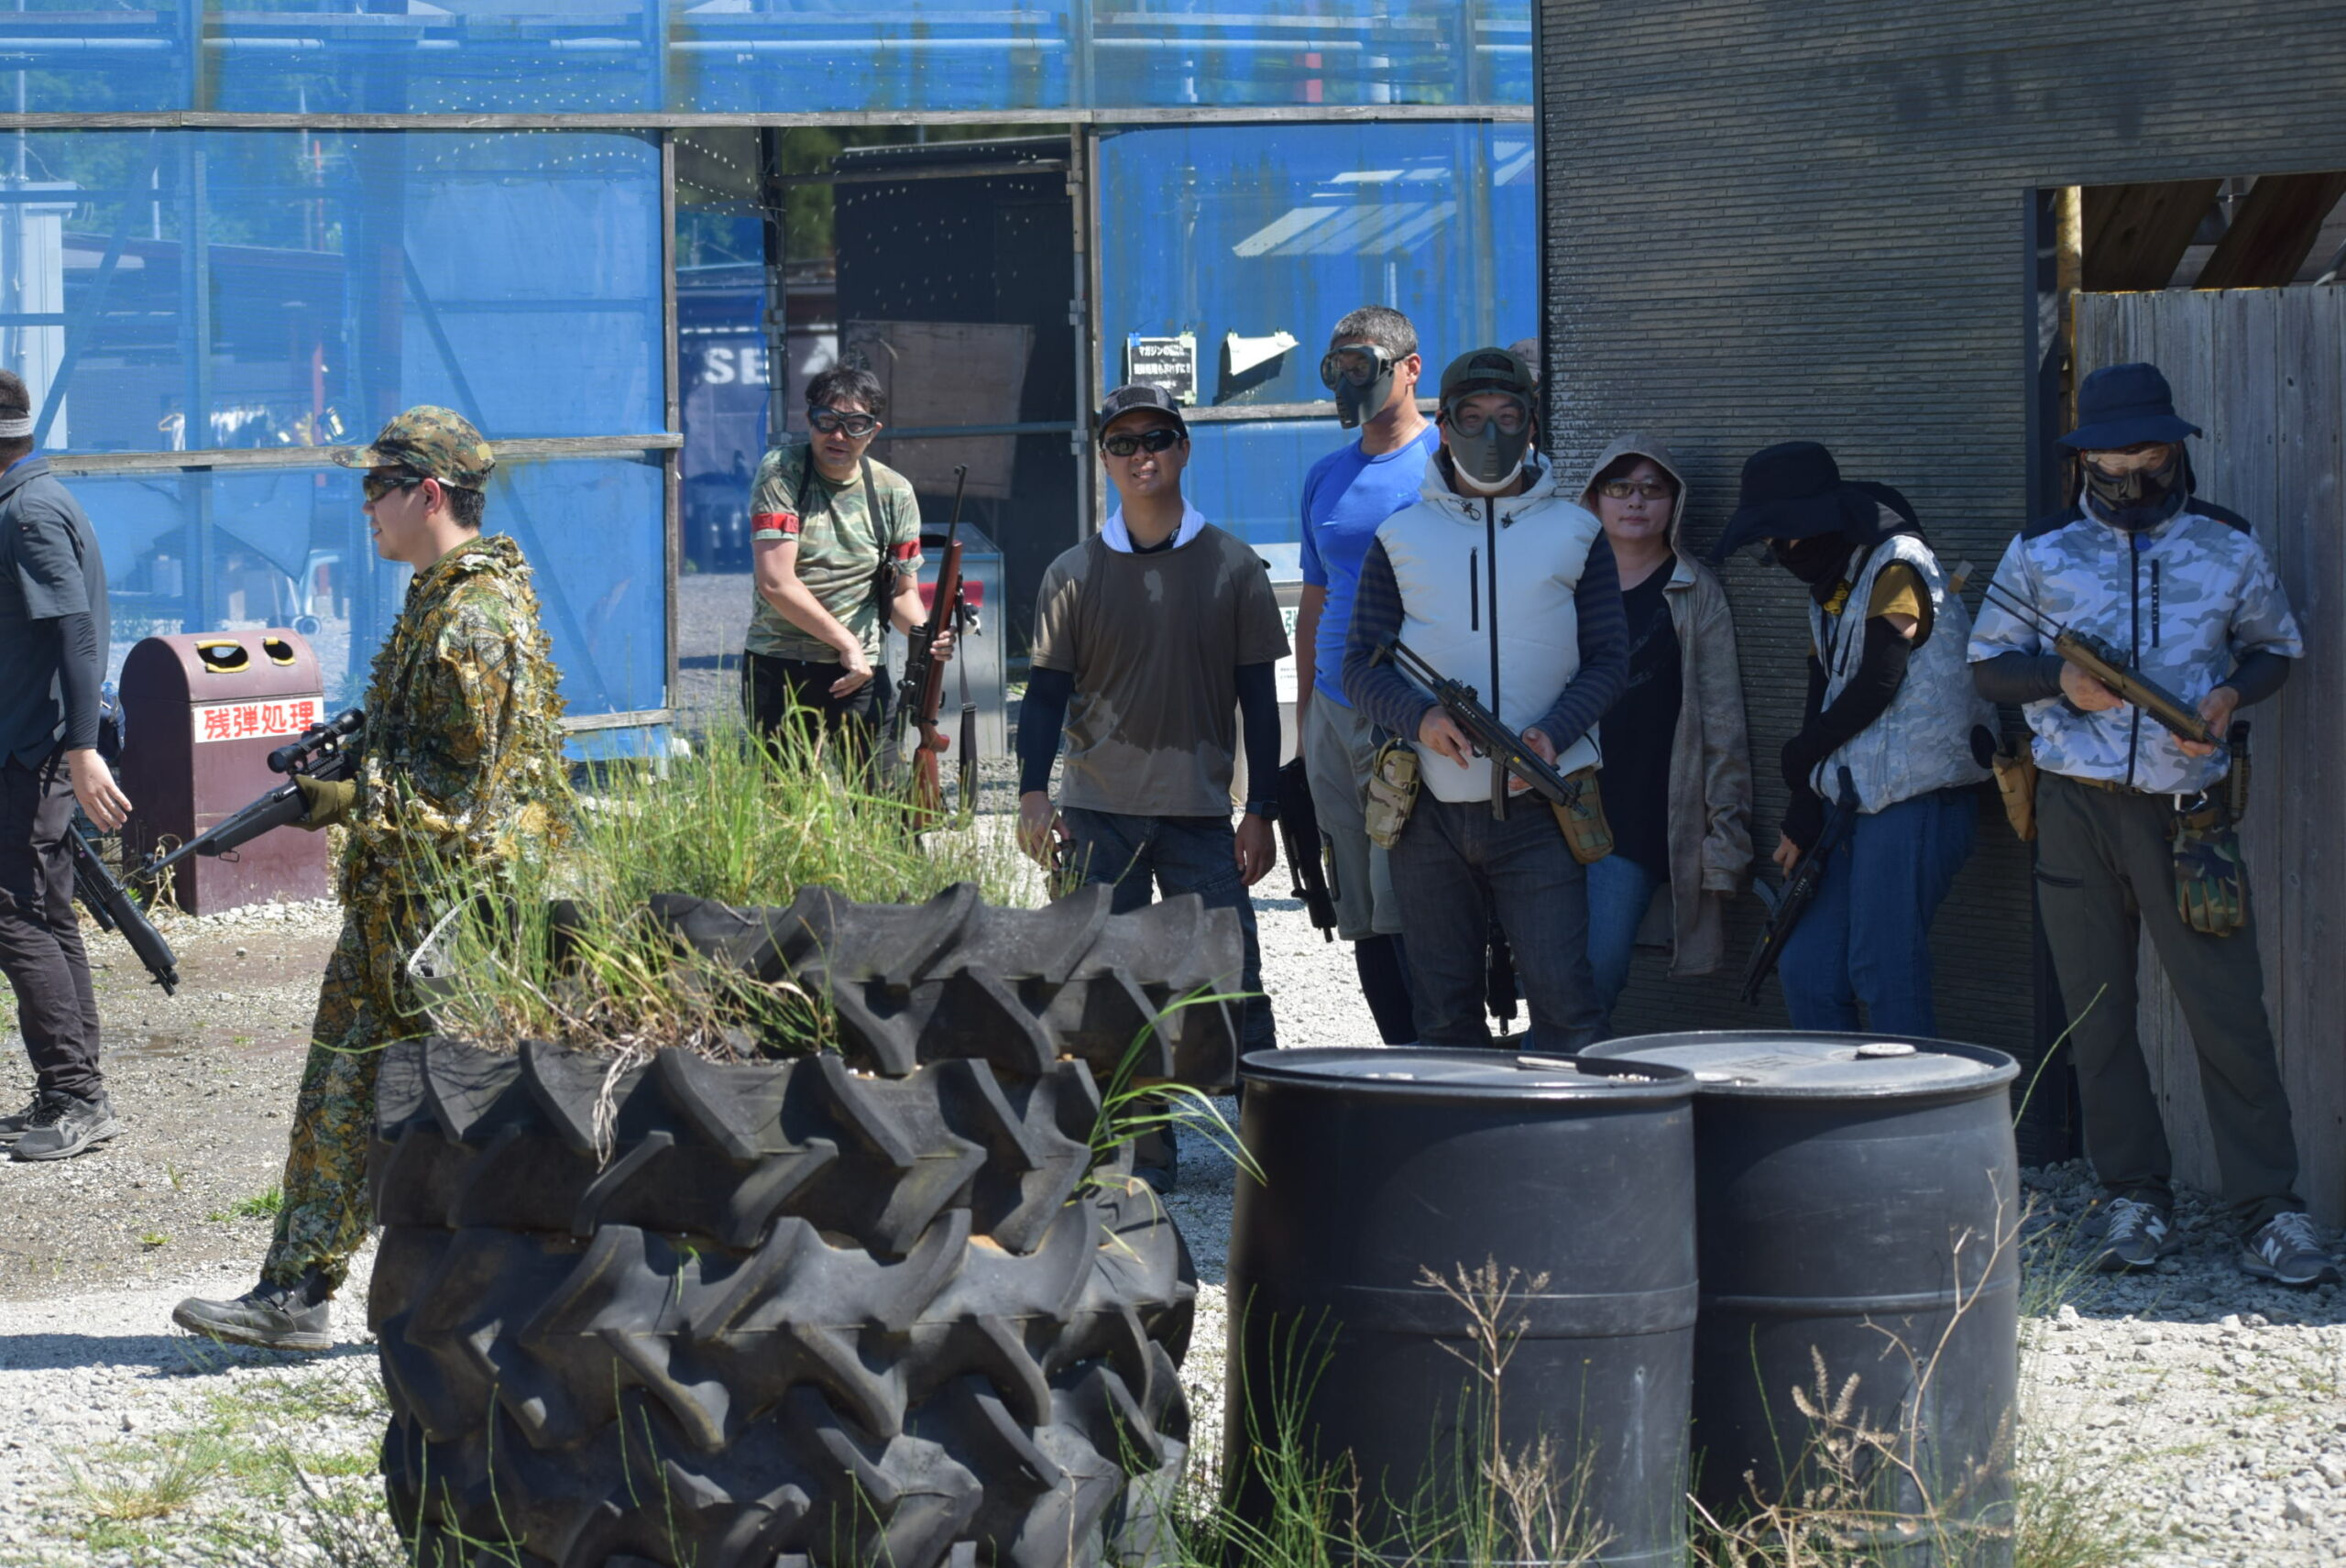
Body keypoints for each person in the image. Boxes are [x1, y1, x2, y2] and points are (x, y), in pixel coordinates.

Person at [173, 407, 574, 1350]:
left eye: (376, 487)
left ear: (428, 494)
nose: (364, 507)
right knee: (341, 1089)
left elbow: (466, 793)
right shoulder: (440, 598)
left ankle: (529, 1294)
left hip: (450, 914)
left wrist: (350, 795)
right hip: (400, 902)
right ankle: (296, 1292)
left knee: (476, 1105)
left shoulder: (473, 617)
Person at [1969, 361, 2332, 1288]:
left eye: (2149, 454)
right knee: (2096, 1014)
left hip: (2190, 813)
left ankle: (2269, 1208)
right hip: (2073, 808)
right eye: (2113, 456)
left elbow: (2274, 649)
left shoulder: (2227, 545)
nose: (2132, 471)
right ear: (2084, 457)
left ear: (2174, 450)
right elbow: (1987, 665)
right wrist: (2060, 681)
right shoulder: (2039, 551)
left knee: (2228, 1012)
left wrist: (2230, 694)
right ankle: (2133, 1194)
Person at [1017, 384, 1288, 1184]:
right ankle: (1138, 1155)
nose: (1142, 455)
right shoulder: (1072, 573)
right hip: (1096, 815)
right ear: (1104, 458)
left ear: (1184, 449)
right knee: (1105, 987)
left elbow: (1260, 703)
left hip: (1202, 814)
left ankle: (1277, 1148)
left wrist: (1262, 809)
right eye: (1123, 442)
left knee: (1232, 982)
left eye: (1158, 438)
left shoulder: (1234, 567)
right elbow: (1044, 697)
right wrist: (1032, 793)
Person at [1342, 347, 1628, 1052]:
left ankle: (1574, 1127)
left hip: (1543, 808)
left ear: (1533, 423)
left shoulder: (1579, 533)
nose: (1491, 434)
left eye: (1508, 415)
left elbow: (1609, 660)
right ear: (1444, 426)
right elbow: (1359, 665)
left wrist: (1553, 733)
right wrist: (1421, 718)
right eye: (1472, 418)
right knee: (1443, 1016)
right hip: (1427, 811)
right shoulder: (1399, 537)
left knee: (1566, 1005)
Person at [1711, 441, 1988, 1037]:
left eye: (1782, 537)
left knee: (1883, 967)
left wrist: (1800, 758)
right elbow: (1822, 693)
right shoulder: (1832, 586)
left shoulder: (1898, 564)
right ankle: (1836, 1093)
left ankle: (1913, 1096)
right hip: (1851, 800)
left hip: (1916, 797)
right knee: (1808, 969)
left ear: (1815, 522)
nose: (1778, 552)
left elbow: (1878, 681)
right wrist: (1804, 800)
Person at [1295, 306, 1441, 1046]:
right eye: (1338, 367)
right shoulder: (1325, 476)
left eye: (1365, 365)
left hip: (1412, 713)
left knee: (1411, 900)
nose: (1350, 380)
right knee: (1359, 906)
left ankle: (1444, 1062)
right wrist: (1303, 724)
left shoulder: (1450, 461)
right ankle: (1399, 1066)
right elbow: (1313, 601)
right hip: (1331, 710)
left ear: (1410, 369)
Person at [1575, 436, 1753, 1028]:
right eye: (1620, 487)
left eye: (1652, 489)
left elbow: (1723, 724)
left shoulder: (1694, 590)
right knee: (1543, 973)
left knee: (1596, 976)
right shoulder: (1564, 580)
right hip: (1546, 812)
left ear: (1674, 502)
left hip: (1638, 820)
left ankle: (1558, 1078)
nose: (1635, 501)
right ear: (1595, 498)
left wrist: (1725, 841)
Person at [0, 370, 133, 1162]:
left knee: (14, 912)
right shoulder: (32, 501)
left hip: (38, 747)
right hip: (35, 742)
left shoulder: (29, 513)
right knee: (46, 911)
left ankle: (76, 1094)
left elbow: (76, 635)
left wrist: (82, 749)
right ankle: (73, 1090)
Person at [740, 366, 946, 767]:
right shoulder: (782, 470)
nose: (839, 436)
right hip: (783, 664)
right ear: (809, 420)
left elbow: (903, 593)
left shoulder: (894, 491)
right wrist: (846, 643)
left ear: (873, 431)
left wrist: (927, 635)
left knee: (884, 799)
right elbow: (776, 582)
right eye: (827, 421)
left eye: (855, 425)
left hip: (861, 672)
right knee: (786, 799)